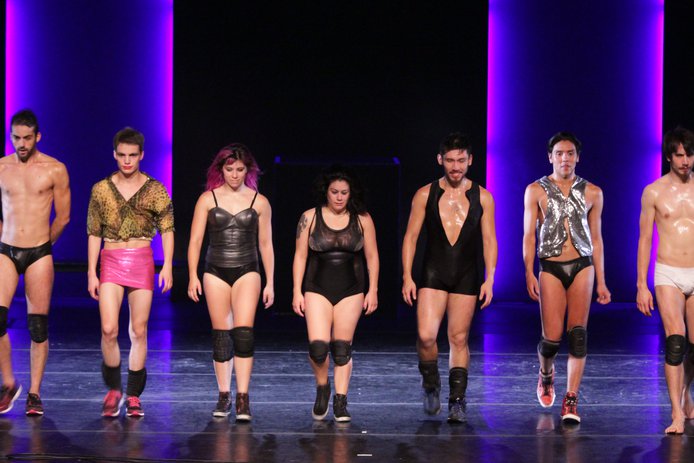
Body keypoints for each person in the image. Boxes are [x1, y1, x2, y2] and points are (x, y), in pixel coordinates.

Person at [402, 132, 497, 423]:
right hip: (433, 272)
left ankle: (457, 401)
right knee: (426, 336)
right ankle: (431, 382)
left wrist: (490, 278)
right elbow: (411, 237)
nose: (456, 167)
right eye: (451, 160)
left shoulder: (483, 197)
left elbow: (489, 240)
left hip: (466, 274)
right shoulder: (425, 194)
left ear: (470, 160)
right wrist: (407, 276)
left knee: (458, 337)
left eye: (461, 160)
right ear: (440, 160)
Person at [523, 131, 610, 424]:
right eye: (559, 153)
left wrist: (602, 281)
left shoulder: (593, 192)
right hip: (550, 266)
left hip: (583, 265)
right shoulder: (535, 190)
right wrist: (528, 272)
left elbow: (596, 239)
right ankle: (546, 374)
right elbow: (528, 236)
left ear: (578, 157)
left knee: (578, 336)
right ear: (550, 157)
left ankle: (571, 399)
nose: (565, 158)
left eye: (570, 153)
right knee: (551, 340)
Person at [87, 127, 174, 418]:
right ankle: (114, 390)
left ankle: (134, 395)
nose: (127, 161)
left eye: (132, 155)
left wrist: (168, 265)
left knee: (138, 330)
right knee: (109, 329)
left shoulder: (155, 189)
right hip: (111, 259)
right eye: (122, 155)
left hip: (141, 260)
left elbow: (168, 229)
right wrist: (91, 272)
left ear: (141, 155)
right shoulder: (101, 189)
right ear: (114, 154)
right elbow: (93, 232)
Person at [187, 143, 274, 421]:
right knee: (222, 337)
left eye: (239, 169)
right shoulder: (207, 199)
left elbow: (266, 244)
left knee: (244, 334)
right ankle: (224, 394)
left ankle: (243, 398)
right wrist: (192, 275)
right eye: (229, 169)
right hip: (215, 271)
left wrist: (270, 282)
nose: (235, 175)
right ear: (221, 170)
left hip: (248, 269)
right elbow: (195, 241)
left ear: (248, 170)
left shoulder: (259, 202)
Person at [292, 165, 379, 422]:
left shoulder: (363, 219)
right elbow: (300, 256)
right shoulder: (309, 217)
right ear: (326, 192)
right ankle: (323, 386)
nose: (339, 197)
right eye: (334, 192)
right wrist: (296, 291)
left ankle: (341, 401)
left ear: (351, 193)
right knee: (318, 348)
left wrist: (373, 290)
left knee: (341, 349)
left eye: (344, 192)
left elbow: (372, 256)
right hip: (317, 288)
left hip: (351, 290)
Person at [0, 109, 71, 416]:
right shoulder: (2, 168)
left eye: (27, 138)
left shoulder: (55, 169)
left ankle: (34, 393)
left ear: (37, 136)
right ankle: (9, 383)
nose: (22, 143)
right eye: (16, 138)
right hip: (6, 250)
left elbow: (64, 216)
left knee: (37, 326)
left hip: (39, 253)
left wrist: (44, 244)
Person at [637, 127, 694, 434]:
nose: (686, 161)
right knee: (675, 341)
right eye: (680, 155)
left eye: (690, 155)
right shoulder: (654, 192)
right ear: (669, 157)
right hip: (668, 272)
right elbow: (645, 239)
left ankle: (685, 394)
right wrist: (641, 285)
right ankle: (676, 413)